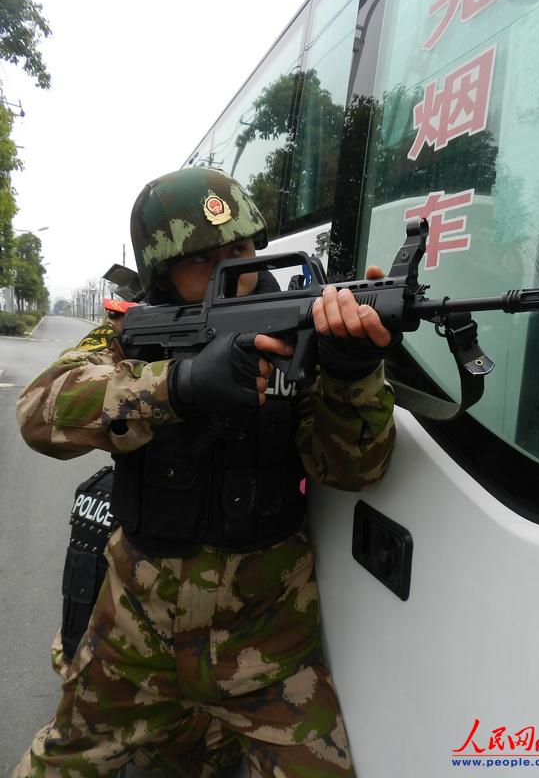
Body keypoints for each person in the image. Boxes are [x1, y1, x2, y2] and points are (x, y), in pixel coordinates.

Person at [13, 166, 397, 777]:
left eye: (242, 249)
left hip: (268, 653)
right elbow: (39, 413)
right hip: (133, 642)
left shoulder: (299, 327)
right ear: (162, 274)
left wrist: (352, 375)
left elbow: (354, 469)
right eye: (204, 259)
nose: (235, 272)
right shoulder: (130, 332)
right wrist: (179, 386)